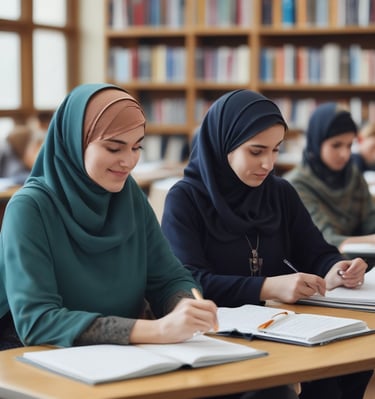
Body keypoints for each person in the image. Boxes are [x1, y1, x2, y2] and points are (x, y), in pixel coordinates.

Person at [161, 90, 372, 399]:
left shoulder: (280, 193)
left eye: (275, 150)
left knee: (352, 361)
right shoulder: (185, 199)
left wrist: (337, 268)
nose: (268, 164)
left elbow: (316, 251)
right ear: (224, 146)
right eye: (256, 151)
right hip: (216, 335)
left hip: (282, 327)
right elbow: (191, 283)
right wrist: (268, 287)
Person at [0, 83, 218, 352]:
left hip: (121, 354)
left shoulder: (129, 197)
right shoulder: (29, 208)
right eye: (114, 149)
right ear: (74, 143)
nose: (128, 161)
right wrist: (158, 329)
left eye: (136, 147)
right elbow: (38, 321)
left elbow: (170, 277)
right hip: (41, 358)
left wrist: (185, 303)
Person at [284, 103, 375, 252]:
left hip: (361, 264)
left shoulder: (352, 174)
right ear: (317, 141)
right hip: (321, 268)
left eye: (349, 145)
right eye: (336, 145)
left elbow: (370, 221)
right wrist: (371, 240)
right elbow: (325, 239)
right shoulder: (296, 185)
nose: (345, 154)